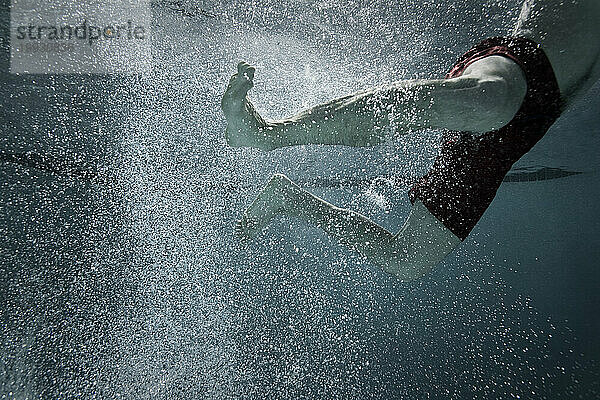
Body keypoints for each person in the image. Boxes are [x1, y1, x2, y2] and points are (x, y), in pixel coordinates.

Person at [220, 0, 600, 281]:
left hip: (516, 138)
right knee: (492, 99)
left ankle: (287, 199)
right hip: (521, 70)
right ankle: (267, 134)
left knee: (407, 261)